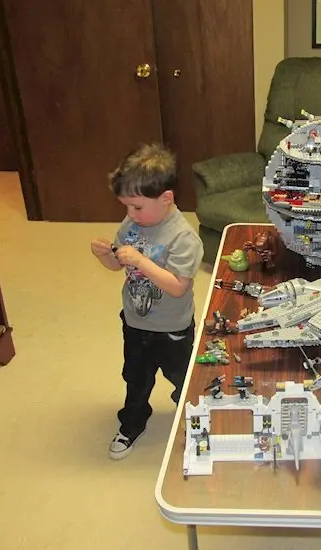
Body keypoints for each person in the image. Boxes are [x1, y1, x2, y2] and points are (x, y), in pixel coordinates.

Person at [91, 143, 203, 460]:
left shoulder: (183, 237)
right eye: (126, 206)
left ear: (165, 199)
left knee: (184, 378)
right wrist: (105, 256)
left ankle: (194, 416)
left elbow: (178, 286)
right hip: (135, 322)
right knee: (135, 379)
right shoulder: (131, 225)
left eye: (137, 207)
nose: (130, 214)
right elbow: (118, 266)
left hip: (172, 328)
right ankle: (132, 423)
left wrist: (141, 261)